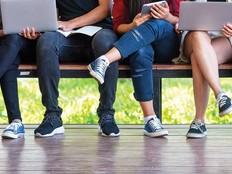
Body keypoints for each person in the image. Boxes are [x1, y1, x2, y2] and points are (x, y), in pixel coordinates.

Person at [88, 0, 182, 137]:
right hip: (137, 41)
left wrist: (168, 17)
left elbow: (185, 20)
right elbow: (118, 26)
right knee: (141, 52)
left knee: (159, 24)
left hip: (167, 45)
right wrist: (133, 25)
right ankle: (150, 119)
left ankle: (105, 59)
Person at [33, 0, 120, 137]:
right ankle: (52, 115)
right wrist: (40, 29)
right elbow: (49, 14)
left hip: (99, 32)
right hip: (68, 36)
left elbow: (106, 9)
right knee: (46, 41)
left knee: (106, 42)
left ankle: (107, 114)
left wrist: (71, 23)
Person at [180, 0, 232, 138]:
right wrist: (176, 20)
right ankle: (220, 93)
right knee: (198, 38)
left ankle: (199, 120)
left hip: (224, 39)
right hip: (194, 36)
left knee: (198, 57)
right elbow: (179, 12)